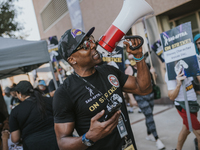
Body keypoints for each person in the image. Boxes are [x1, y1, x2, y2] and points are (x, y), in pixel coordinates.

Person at [53, 27, 152, 150]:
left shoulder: (109, 71)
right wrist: (89, 137)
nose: (93, 45)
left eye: (91, 39)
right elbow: (62, 143)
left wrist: (138, 56)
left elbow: (144, 88)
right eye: (85, 44)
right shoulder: (64, 93)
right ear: (72, 59)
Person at [9, 80, 59, 150]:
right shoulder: (49, 100)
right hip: (57, 141)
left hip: (32, 145)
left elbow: (15, 139)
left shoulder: (15, 111)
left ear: (19, 93)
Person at [131, 62, 165, 150]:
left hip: (150, 95)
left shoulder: (146, 66)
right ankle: (157, 139)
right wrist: (132, 99)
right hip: (140, 97)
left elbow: (153, 79)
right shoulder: (130, 70)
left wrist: (153, 73)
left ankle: (149, 134)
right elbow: (128, 86)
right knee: (150, 116)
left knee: (148, 116)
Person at [165, 68, 200, 150]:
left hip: (193, 104)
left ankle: (178, 149)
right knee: (199, 133)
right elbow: (171, 96)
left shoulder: (188, 66)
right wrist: (178, 84)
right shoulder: (169, 72)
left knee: (186, 129)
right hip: (183, 106)